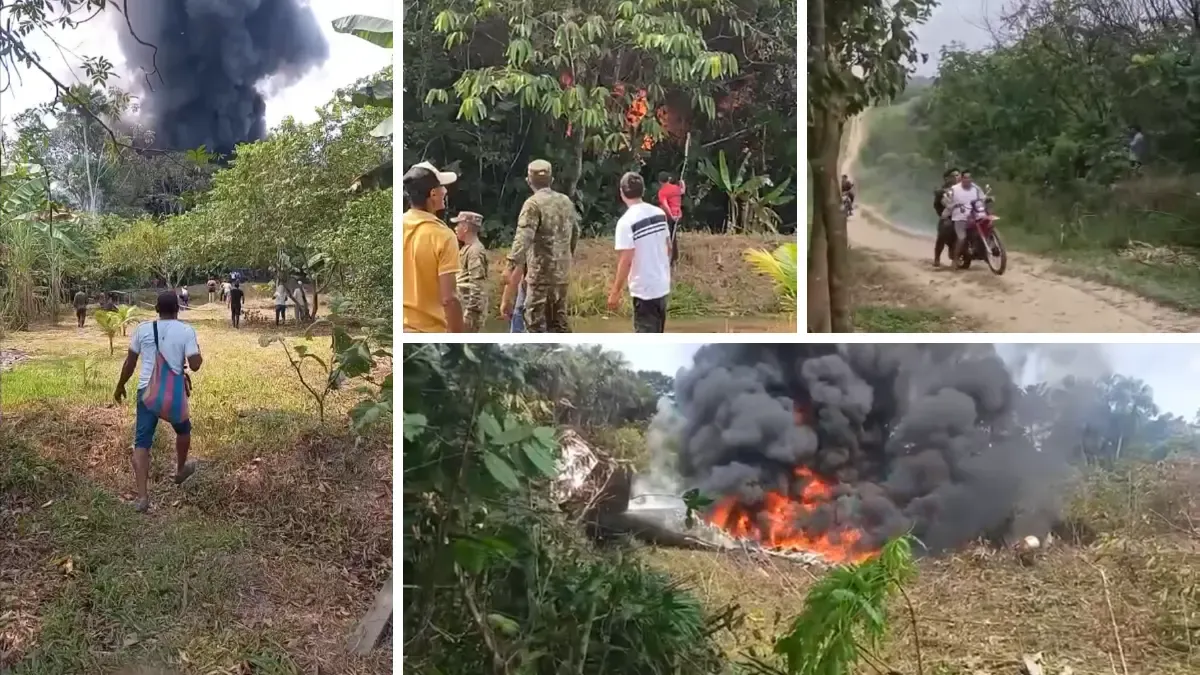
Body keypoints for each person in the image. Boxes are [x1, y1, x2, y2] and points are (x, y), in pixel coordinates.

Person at [113, 291, 202, 513]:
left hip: (146, 392)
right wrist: (196, 352)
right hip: (173, 392)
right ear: (178, 309)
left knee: (142, 442)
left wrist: (120, 385)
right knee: (183, 430)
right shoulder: (186, 331)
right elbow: (195, 364)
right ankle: (180, 469)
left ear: (156, 310)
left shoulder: (142, 329)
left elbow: (130, 363)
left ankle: (142, 497)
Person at [500, 159, 578, 333]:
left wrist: (510, 267)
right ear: (552, 180)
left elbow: (523, 238)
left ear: (529, 181)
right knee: (559, 324)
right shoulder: (566, 201)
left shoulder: (532, 204)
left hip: (539, 277)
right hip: (561, 276)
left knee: (535, 325)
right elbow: (575, 233)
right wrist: (565, 258)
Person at [402, 161, 464, 332]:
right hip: (428, 331)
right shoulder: (443, 236)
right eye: (442, 187)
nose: (445, 191)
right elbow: (449, 298)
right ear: (433, 193)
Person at [608, 172, 672, 332]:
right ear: (643, 190)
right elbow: (668, 247)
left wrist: (615, 292)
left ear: (622, 192)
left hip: (644, 290)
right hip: (662, 285)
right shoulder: (659, 213)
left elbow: (626, 260)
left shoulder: (626, 222)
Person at [452, 211, 489, 332]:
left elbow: (476, 285)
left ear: (466, 228)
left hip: (469, 313)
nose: (455, 228)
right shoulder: (467, 249)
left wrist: (469, 314)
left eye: (458, 224)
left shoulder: (475, 252)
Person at [948, 170, 987, 268]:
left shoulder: (976, 188)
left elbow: (983, 198)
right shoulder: (954, 189)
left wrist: (987, 199)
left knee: (985, 229)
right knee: (962, 238)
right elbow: (947, 199)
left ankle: (988, 251)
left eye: (969, 178)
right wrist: (951, 205)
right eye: (965, 178)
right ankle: (955, 260)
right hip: (960, 217)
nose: (967, 180)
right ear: (961, 178)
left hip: (975, 215)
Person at [933, 168, 960, 267]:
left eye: (958, 175)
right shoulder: (943, 190)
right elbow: (937, 204)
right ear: (947, 178)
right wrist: (943, 215)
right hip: (948, 215)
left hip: (965, 213)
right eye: (954, 175)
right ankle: (937, 258)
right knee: (944, 230)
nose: (956, 177)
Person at [656, 171, 685, 265]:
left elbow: (665, 206)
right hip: (678, 215)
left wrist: (671, 216)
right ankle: (674, 257)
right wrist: (682, 183)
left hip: (670, 217)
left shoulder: (662, 192)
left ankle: (670, 258)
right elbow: (682, 191)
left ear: (660, 181)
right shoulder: (676, 188)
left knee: (668, 236)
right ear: (668, 179)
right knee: (673, 235)